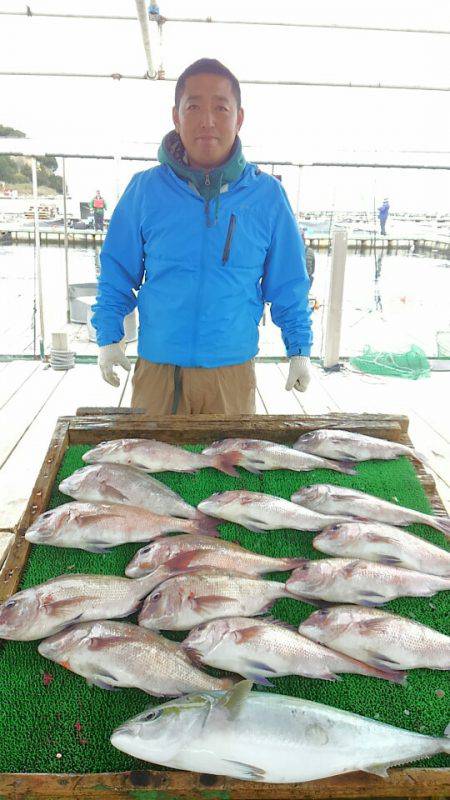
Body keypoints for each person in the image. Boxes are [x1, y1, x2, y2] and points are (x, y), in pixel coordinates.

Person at [92, 58, 312, 415]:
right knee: (150, 468)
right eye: (193, 106)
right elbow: (116, 272)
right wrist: (108, 336)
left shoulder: (268, 196)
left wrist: (299, 348)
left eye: (221, 108)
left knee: (229, 469)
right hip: (157, 372)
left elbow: (289, 283)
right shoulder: (145, 190)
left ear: (239, 117)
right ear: (176, 116)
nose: (207, 120)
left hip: (231, 375)